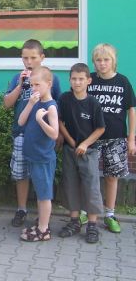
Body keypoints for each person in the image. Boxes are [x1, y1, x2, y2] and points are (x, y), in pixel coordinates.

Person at [4, 39, 61, 227]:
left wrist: (59, 132)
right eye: (25, 58)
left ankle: (42, 214)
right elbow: (7, 104)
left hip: (43, 135)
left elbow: (57, 106)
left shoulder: (51, 78)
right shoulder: (17, 78)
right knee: (21, 174)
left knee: (41, 174)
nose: (29, 62)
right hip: (21, 132)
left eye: (33, 58)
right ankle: (21, 209)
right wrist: (20, 85)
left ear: (42, 57)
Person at [86, 43, 136, 233]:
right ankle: (86, 211)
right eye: (98, 60)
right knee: (89, 176)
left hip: (116, 139)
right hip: (92, 138)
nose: (102, 63)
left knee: (111, 177)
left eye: (106, 60)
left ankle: (109, 214)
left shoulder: (123, 82)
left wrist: (131, 138)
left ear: (113, 61)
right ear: (94, 62)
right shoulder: (89, 80)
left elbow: (131, 110)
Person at [58, 63, 105, 243]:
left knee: (91, 186)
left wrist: (85, 144)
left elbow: (100, 129)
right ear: (69, 80)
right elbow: (60, 122)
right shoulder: (65, 99)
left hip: (89, 151)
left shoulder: (93, 103)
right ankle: (74, 221)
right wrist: (70, 140)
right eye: (74, 79)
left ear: (88, 81)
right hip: (70, 150)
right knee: (71, 184)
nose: (77, 82)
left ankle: (92, 224)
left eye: (81, 79)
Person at [18, 66, 59, 242]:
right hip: (33, 156)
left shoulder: (51, 107)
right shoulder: (35, 102)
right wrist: (30, 104)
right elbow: (21, 122)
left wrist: (40, 120)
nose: (34, 88)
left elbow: (54, 134)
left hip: (43, 158)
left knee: (44, 195)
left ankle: (44, 230)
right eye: (32, 84)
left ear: (48, 84)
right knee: (40, 193)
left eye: (37, 85)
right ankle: (41, 223)